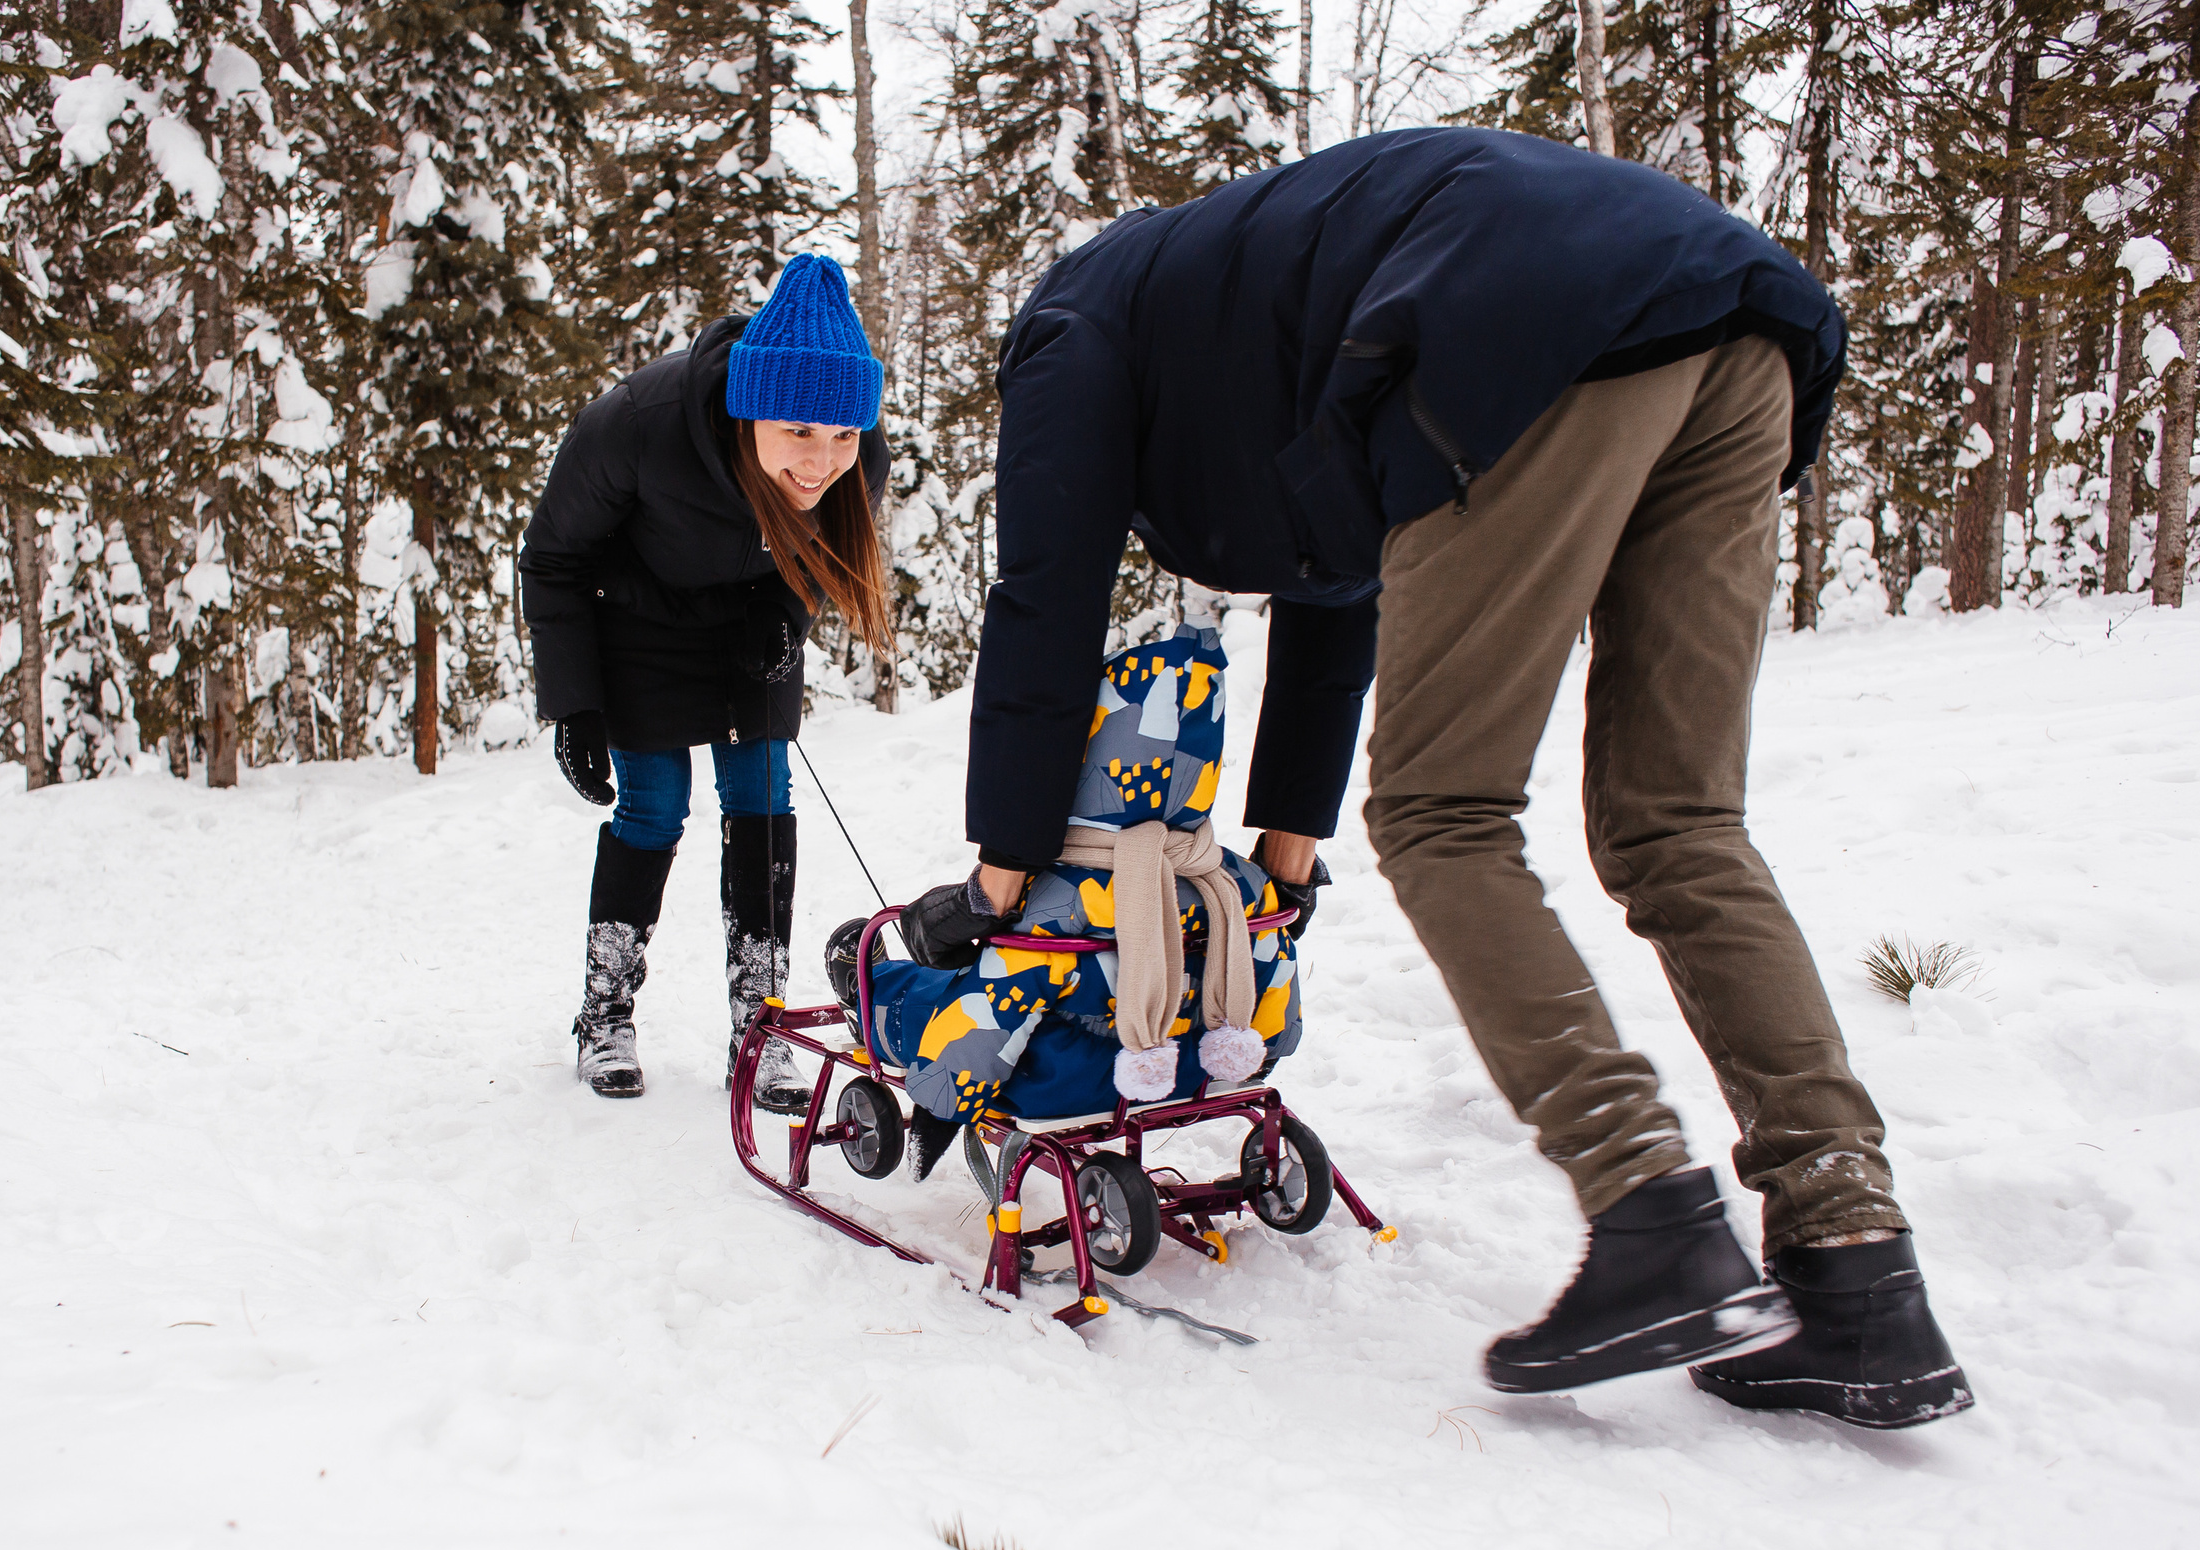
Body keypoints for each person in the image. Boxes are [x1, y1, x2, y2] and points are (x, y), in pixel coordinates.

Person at [902, 127, 1973, 1429]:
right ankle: (1858, 1268)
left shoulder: (1068, 328)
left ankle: (1651, 1214)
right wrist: (1285, 851)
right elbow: (1334, 584)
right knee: (1679, 821)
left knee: (1442, 813)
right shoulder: (1243, 326)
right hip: (1742, 331)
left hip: (1534, 326)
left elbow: (1044, 603)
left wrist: (1001, 863)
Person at [522, 254, 891, 1111]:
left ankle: (758, 1030)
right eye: (798, 431)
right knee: (653, 806)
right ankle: (604, 1014)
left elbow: (826, 550)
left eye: (840, 436)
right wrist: (573, 701)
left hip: (746, 627)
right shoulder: (642, 423)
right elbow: (553, 558)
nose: (821, 459)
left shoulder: (853, 453)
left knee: (763, 796)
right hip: (634, 621)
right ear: (749, 405)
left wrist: (785, 613)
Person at [830, 616, 1307, 1184]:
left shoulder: (1065, 902)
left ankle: (868, 992)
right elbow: (1271, 970)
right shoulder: (1235, 883)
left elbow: (987, 1014)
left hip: (1063, 1081)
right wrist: (1266, 1050)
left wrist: (936, 1109)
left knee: (934, 995)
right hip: (1194, 1064)